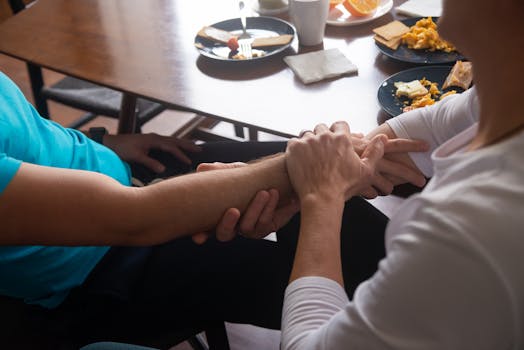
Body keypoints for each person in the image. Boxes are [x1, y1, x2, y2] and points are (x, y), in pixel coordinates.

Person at [0, 69, 427, 348]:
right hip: (102, 268)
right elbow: (134, 218)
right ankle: (419, 314)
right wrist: (311, 175)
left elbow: (24, 138)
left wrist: (103, 141)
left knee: (326, 180)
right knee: (348, 252)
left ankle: (425, 298)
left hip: (126, 176)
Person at [279, 0, 524, 349]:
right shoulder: (498, 96)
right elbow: (427, 127)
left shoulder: (470, 227)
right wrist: (267, 174)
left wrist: (321, 197)